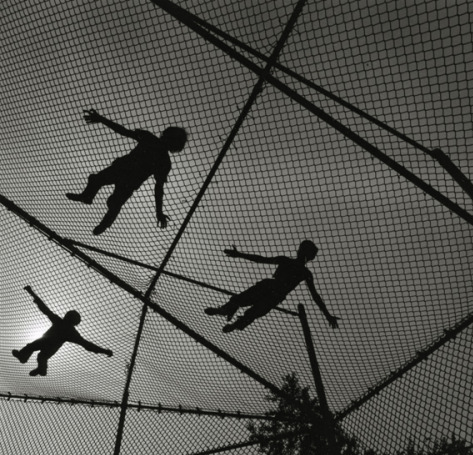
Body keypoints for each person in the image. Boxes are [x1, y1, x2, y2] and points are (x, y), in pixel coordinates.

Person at [66, 109, 187, 235]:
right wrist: (102, 119)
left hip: (126, 176)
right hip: (124, 172)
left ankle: (102, 221)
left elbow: (159, 187)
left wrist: (159, 212)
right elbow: (123, 131)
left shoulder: (161, 157)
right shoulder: (156, 149)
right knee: (99, 184)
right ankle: (88, 198)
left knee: (111, 199)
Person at [205, 240, 339, 333]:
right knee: (253, 311)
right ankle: (232, 319)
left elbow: (260, 259)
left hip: (270, 287)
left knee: (244, 301)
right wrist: (327, 315)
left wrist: (239, 254)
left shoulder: (288, 262)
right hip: (276, 294)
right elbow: (315, 296)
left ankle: (227, 311)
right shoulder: (304, 272)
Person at [12, 286, 112, 376]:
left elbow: (87, 345)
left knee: (37, 352)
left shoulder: (65, 326)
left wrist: (103, 351)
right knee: (39, 354)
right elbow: (45, 309)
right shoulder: (67, 328)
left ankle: (34, 364)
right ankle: (30, 361)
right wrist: (32, 293)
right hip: (49, 344)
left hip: (46, 342)